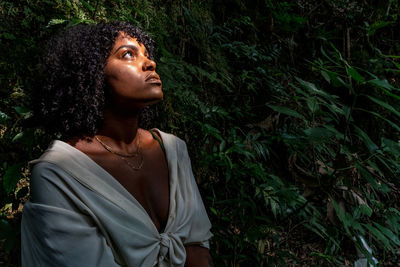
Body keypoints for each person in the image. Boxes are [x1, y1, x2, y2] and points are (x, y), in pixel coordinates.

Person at [21, 22, 213, 267]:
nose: (149, 63)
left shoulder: (173, 150)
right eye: (128, 54)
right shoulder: (58, 173)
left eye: (147, 54)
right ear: (91, 73)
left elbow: (198, 251)